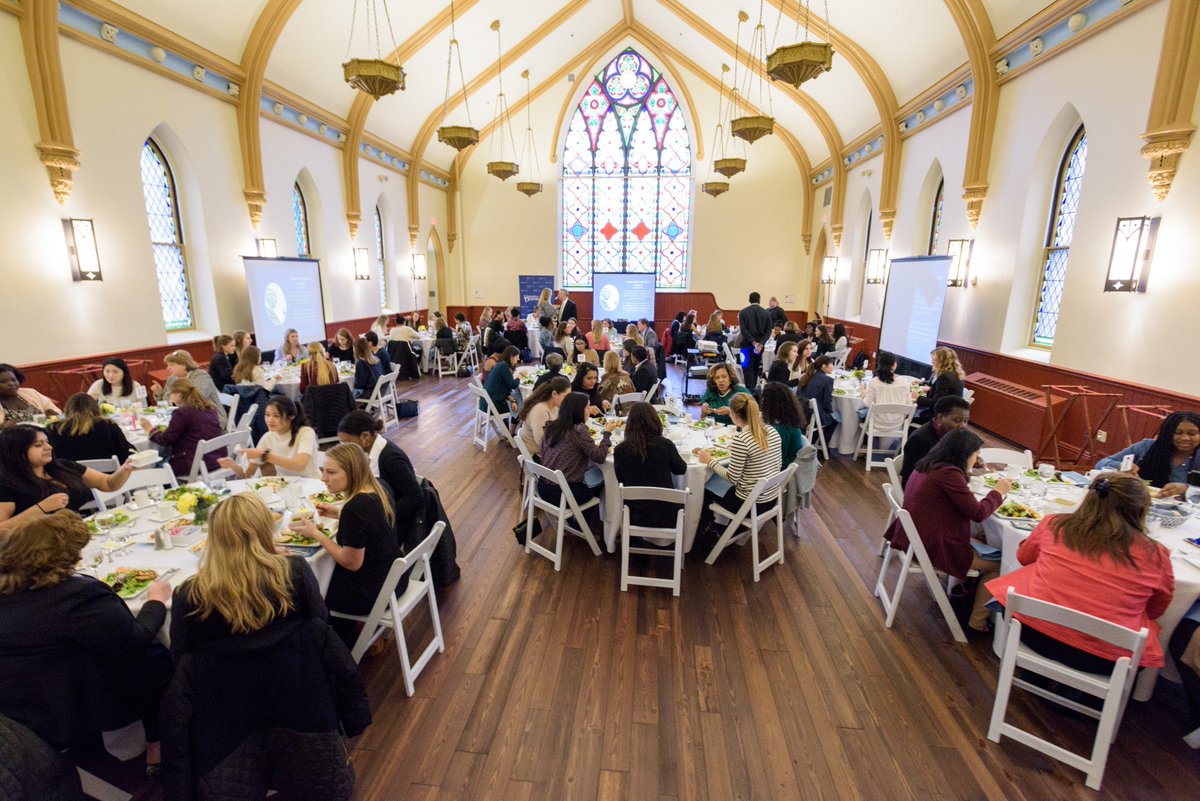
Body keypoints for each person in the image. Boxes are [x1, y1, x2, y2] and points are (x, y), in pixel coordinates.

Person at [164, 494, 367, 799]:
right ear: (264, 530)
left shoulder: (189, 595)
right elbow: (319, 626)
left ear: (214, 537)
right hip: (298, 699)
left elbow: (180, 658)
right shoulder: (294, 572)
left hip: (227, 715)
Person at [0, 512, 172, 770]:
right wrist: (156, 601)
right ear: (62, 557)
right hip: (85, 696)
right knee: (160, 656)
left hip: (21, 700)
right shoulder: (78, 597)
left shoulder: (9, 592)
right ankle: (156, 742)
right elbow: (134, 640)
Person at [986, 472, 1173, 675]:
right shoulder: (1155, 554)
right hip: (1106, 657)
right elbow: (1155, 610)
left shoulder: (1055, 525)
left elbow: (1024, 557)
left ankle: (1038, 677)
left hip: (1032, 631)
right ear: (1140, 509)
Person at [885, 428, 1011, 632]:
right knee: (1001, 564)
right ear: (963, 453)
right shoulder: (949, 474)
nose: (978, 457)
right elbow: (978, 513)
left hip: (914, 537)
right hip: (932, 546)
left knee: (981, 537)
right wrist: (998, 492)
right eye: (976, 453)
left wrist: (967, 469)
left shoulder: (929, 464)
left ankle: (959, 593)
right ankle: (977, 622)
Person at [288, 443, 399, 646]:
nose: (323, 478)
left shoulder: (355, 508)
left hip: (374, 591)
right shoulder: (378, 487)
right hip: (394, 577)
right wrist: (338, 513)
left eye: (331, 472)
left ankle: (333, 647)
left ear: (352, 472)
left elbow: (351, 563)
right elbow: (371, 523)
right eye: (323, 471)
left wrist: (316, 534)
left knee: (310, 594)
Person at [0, 426, 135, 528]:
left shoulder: (62, 467)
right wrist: (41, 508)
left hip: (74, 533)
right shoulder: (6, 483)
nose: (48, 447)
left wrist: (125, 469)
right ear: (17, 452)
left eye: (47, 442)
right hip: (38, 548)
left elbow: (108, 484)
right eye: (38, 445)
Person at [336, 411, 422, 554]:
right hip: (383, 517)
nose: (344, 448)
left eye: (347, 443)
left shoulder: (390, 458)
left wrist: (381, 516)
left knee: (349, 542)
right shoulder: (373, 451)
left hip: (398, 526)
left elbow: (415, 496)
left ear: (365, 437)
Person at [698, 393, 782, 521]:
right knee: (717, 481)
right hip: (771, 498)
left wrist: (710, 461)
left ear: (733, 414)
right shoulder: (771, 430)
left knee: (704, 486)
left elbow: (731, 478)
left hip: (749, 504)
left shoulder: (742, 439)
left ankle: (708, 531)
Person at [613, 401, 687, 528]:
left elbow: (621, 479)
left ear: (629, 423)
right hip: (667, 513)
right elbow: (681, 469)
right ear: (655, 420)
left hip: (634, 513)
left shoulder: (620, 449)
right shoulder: (665, 445)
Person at [1096, 411, 1200, 498]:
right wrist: (1122, 466)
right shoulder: (1147, 446)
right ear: (1167, 433)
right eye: (1178, 433)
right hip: (1135, 502)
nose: (1185, 438)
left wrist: (1186, 489)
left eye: (1192, 434)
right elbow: (1101, 464)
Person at [539, 393, 618, 507]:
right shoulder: (578, 431)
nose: (589, 410)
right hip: (563, 494)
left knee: (593, 471)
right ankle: (590, 519)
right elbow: (600, 457)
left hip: (544, 486)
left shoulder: (552, 426)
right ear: (578, 410)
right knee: (606, 476)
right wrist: (607, 433)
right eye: (587, 407)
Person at [217, 396, 318, 479]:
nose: (270, 420)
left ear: (291, 416)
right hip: (285, 485)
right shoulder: (268, 437)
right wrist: (232, 465)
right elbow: (249, 473)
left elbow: (299, 465)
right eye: (267, 415)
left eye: (276, 416)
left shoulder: (306, 432)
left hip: (311, 483)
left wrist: (264, 455)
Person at [143, 378, 224, 478]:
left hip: (192, 463)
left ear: (179, 395)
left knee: (154, 467)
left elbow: (166, 440)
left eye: (170, 395)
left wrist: (151, 430)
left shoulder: (182, 412)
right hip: (216, 458)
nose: (170, 398)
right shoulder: (209, 408)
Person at [900, 395, 972, 486]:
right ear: (940, 417)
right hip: (924, 489)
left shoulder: (953, 434)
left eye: (965, 421)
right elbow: (908, 478)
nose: (963, 426)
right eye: (957, 420)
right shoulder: (920, 439)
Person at [46, 393, 135, 464]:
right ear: (96, 408)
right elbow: (125, 453)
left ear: (67, 409)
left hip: (71, 480)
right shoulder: (107, 425)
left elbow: (52, 458)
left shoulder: (54, 428)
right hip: (110, 479)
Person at [151, 350, 227, 427]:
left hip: (210, 419)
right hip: (186, 418)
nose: (168, 368)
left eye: (172, 365)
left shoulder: (201, 376)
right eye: (167, 365)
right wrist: (160, 394)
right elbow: (168, 402)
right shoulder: (172, 379)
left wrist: (175, 400)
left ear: (184, 365)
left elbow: (198, 400)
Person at [518, 376, 572, 457]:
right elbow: (541, 442)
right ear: (554, 394)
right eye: (565, 397)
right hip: (538, 455)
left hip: (546, 450)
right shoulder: (540, 411)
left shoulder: (554, 406)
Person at [858, 351, 913, 427]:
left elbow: (868, 404)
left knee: (860, 413)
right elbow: (909, 405)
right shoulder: (904, 383)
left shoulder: (874, 382)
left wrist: (864, 395)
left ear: (879, 364)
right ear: (894, 365)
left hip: (877, 424)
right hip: (897, 424)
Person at [760, 382, 807, 469]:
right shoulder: (788, 419)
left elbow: (778, 457)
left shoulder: (782, 428)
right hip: (786, 464)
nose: (762, 401)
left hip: (782, 469)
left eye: (764, 399)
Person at [915, 346, 966, 424]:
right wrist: (922, 384)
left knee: (908, 417)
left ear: (942, 361)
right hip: (952, 412)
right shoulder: (955, 373)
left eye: (934, 360)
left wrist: (918, 398)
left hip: (941, 417)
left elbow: (937, 403)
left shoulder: (945, 377)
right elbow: (936, 385)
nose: (931, 362)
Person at [798, 355, 838, 446]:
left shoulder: (806, 376)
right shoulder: (828, 380)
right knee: (836, 418)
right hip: (814, 415)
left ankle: (813, 442)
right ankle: (822, 445)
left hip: (802, 412)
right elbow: (826, 404)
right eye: (831, 364)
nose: (833, 366)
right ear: (824, 366)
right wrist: (830, 412)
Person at [482, 346, 521, 419]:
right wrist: (520, 376)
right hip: (492, 406)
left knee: (516, 400)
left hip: (484, 405)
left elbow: (502, 389)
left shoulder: (499, 365)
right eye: (517, 357)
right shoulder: (504, 367)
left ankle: (509, 427)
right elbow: (513, 385)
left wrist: (513, 400)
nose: (518, 360)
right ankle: (512, 429)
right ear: (511, 357)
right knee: (520, 404)